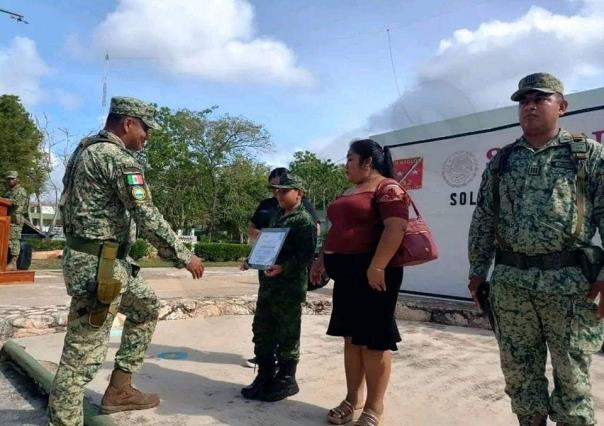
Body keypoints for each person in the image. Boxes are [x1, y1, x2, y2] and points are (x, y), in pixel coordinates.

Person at [47, 97, 205, 426]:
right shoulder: (119, 159)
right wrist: (184, 255)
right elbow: (146, 216)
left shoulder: (84, 150)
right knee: (81, 357)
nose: (147, 136)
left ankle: (119, 390)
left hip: (104, 262)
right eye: (145, 128)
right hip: (100, 269)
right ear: (128, 123)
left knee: (145, 306)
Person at [468, 72, 604, 426]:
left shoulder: (587, 155)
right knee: (520, 377)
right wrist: (477, 270)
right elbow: (484, 217)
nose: (529, 105)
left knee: (572, 379)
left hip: (569, 286)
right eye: (523, 100)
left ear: (562, 105)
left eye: (539, 98)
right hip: (511, 284)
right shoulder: (503, 161)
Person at [310, 139, 409, 426]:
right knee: (351, 339)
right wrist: (322, 260)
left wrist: (377, 266)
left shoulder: (389, 188)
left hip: (376, 274)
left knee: (374, 341)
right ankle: (352, 399)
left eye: (350, 159)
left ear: (368, 162)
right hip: (348, 276)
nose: (346, 165)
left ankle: (374, 407)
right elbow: (337, 231)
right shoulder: (350, 191)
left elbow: (396, 227)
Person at [241, 173, 317, 402]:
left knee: (287, 334)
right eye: (277, 190)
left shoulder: (303, 221)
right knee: (262, 331)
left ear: (299, 193)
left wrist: (283, 268)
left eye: (284, 191)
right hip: (268, 287)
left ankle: (286, 379)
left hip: (288, 290)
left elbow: (305, 255)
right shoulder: (276, 215)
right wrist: (251, 259)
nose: (279, 195)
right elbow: (267, 244)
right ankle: (264, 375)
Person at [2, 171, 27, 270]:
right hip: (5, 219)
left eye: (12, 178)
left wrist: (3, 199)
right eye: (8, 179)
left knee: (14, 240)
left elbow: (16, 203)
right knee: (5, 241)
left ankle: (13, 262)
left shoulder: (20, 191)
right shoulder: (8, 192)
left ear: (17, 179)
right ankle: (3, 260)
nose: (10, 181)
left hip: (14, 220)